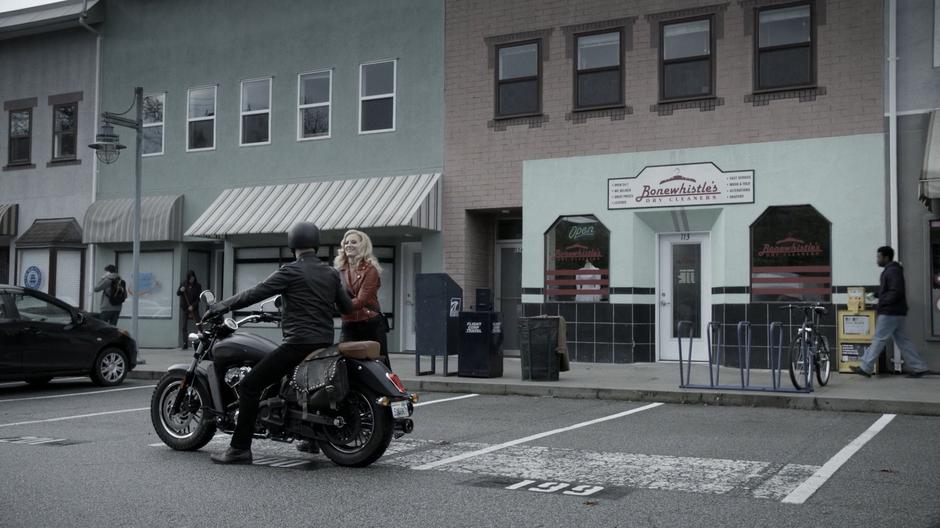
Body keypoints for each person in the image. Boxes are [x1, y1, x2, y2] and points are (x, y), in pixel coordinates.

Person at [203, 222, 353, 465]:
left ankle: (239, 448)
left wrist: (222, 305)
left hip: (298, 343)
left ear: (292, 243)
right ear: (315, 243)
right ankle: (312, 439)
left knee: (250, 385)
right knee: (303, 386)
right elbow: (347, 307)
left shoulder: (290, 271)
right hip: (324, 342)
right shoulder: (330, 273)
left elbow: (255, 293)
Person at [851, 246, 930, 378]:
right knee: (903, 341)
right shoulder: (893, 270)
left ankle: (866, 367)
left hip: (889, 312)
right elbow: (891, 290)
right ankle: (919, 367)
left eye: (879, 257)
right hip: (897, 311)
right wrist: (876, 295)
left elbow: (896, 291)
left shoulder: (892, 271)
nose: (877, 259)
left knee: (878, 339)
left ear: (886, 257)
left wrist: (882, 301)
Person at [334, 229, 390, 368]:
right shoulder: (339, 270)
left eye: (354, 242)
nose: (349, 245)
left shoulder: (370, 269)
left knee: (379, 367)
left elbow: (360, 301)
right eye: (346, 242)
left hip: (370, 324)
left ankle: (387, 390)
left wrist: (336, 307)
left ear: (363, 245)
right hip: (349, 324)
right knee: (345, 365)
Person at [176, 270, 202, 349]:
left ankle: (201, 342)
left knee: (199, 324)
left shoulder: (198, 286)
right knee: (184, 326)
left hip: (194, 308)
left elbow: (199, 298)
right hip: (185, 308)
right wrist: (181, 290)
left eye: (193, 278)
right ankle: (185, 343)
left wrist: (193, 306)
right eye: (190, 278)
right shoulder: (183, 284)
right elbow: (178, 293)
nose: (192, 279)